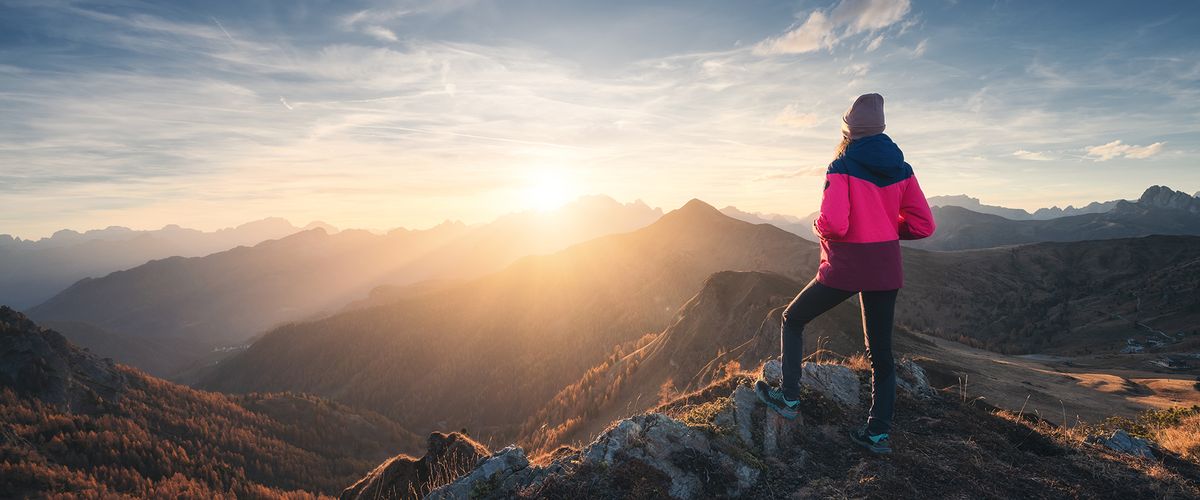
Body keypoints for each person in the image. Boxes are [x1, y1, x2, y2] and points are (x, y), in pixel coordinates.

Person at [755, 93, 936, 455]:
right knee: (881, 355)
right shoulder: (903, 169)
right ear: (881, 128)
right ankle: (878, 434)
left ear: (849, 130)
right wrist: (884, 228)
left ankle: (789, 398)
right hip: (885, 267)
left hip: (846, 267)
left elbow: (835, 224)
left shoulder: (841, 166)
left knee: (792, 319)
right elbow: (923, 225)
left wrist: (818, 225)